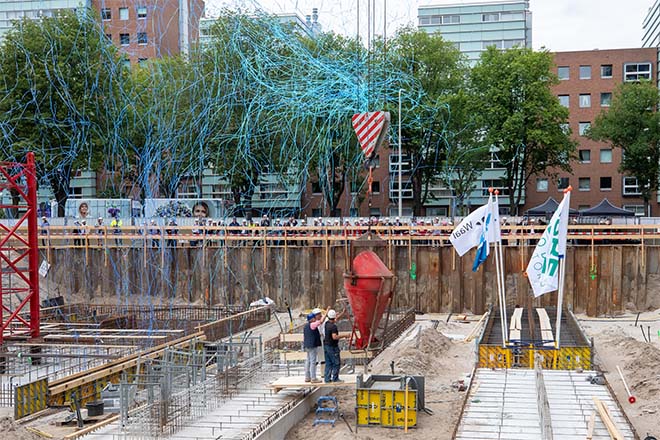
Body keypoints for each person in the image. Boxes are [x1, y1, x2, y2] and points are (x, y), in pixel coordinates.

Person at [323, 309, 345, 383]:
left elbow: (334, 319)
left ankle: (327, 379)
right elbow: (334, 337)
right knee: (336, 363)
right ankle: (335, 379)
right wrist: (345, 335)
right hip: (332, 347)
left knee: (328, 363)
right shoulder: (333, 327)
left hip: (326, 346)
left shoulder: (326, 323)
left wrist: (342, 313)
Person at [303, 308, 324, 383]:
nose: (315, 319)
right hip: (312, 346)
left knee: (308, 361)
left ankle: (307, 377)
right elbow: (320, 322)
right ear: (311, 319)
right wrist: (327, 311)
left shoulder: (306, 326)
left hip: (307, 345)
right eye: (314, 318)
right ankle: (313, 378)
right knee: (313, 362)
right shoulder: (312, 324)